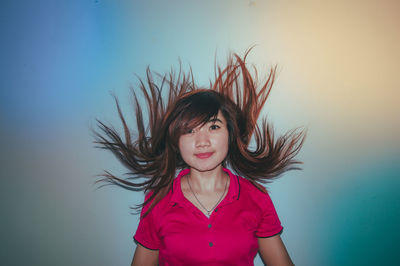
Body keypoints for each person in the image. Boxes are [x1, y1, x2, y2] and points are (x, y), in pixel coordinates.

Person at [93, 50, 305, 265]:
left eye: (213, 127)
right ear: (176, 140)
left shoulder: (256, 197)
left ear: (230, 134)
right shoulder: (157, 201)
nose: (202, 141)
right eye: (189, 131)